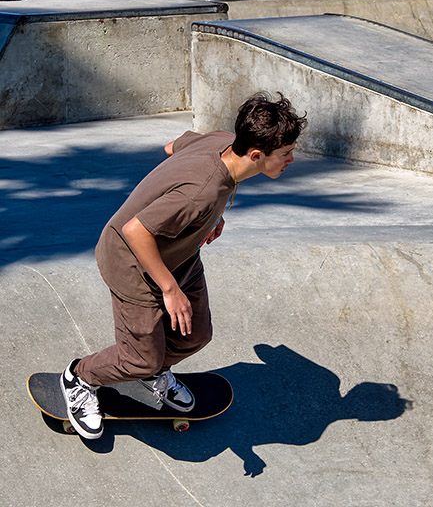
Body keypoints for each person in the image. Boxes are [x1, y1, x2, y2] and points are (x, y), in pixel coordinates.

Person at [59, 92, 307, 439]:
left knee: (196, 335)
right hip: (131, 263)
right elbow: (136, 230)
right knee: (139, 359)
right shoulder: (199, 193)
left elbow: (173, 147)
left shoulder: (224, 142)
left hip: (180, 254)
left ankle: (152, 372)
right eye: (285, 154)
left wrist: (206, 219)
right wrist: (169, 288)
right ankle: (80, 377)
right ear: (255, 155)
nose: (291, 160)